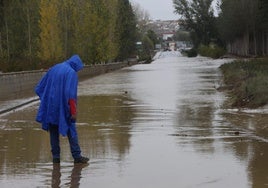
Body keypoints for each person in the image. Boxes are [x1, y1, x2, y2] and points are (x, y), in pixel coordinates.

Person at [35, 55, 89, 164]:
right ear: (76, 65)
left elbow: (40, 87)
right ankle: (77, 156)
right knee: (71, 128)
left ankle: (56, 158)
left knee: (53, 130)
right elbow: (70, 94)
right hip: (63, 106)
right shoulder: (71, 73)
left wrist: (46, 102)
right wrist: (73, 111)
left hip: (50, 105)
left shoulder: (54, 68)